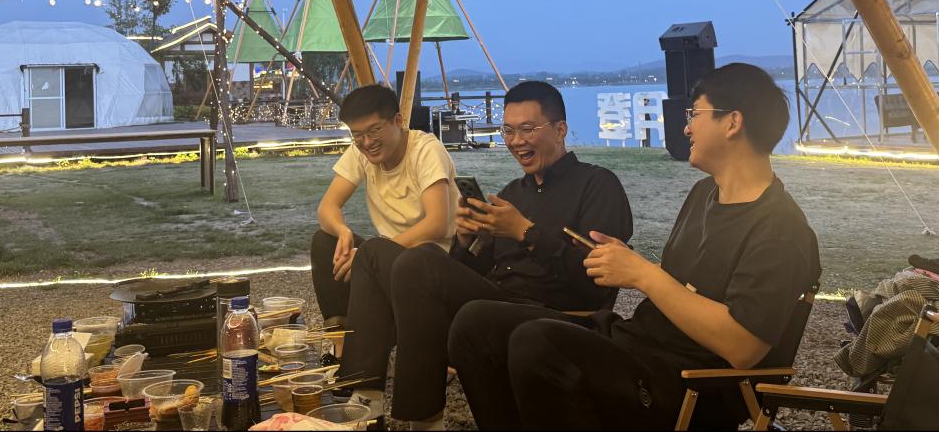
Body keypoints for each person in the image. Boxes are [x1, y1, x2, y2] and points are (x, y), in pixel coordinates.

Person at [448, 63, 822, 430]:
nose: (686, 127)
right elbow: (686, 286)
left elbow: (743, 346)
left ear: (732, 122)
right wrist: (626, 264)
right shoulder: (705, 193)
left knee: (538, 344)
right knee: (477, 322)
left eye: (695, 114)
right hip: (635, 346)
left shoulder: (780, 230)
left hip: (688, 384)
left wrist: (643, 275)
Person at [339, 81, 634, 430]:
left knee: (425, 266)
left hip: (556, 313)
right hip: (495, 300)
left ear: (560, 129)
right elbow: (472, 270)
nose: (516, 141)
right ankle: (365, 398)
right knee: (375, 252)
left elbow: (594, 284)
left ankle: (424, 422)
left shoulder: (597, 184)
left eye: (528, 129)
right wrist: (466, 240)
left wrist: (525, 233)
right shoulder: (512, 194)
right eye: (508, 130)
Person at [310, 84, 458, 331]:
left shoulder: (425, 150)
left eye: (375, 130)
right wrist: (343, 232)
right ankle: (340, 338)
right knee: (325, 241)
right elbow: (327, 207)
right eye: (357, 135)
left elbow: (437, 224)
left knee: (372, 251)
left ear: (397, 121)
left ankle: (374, 336)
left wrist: (372, 255)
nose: (367, 142)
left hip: (433, 261)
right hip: (387, 257)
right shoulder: (360, 152)